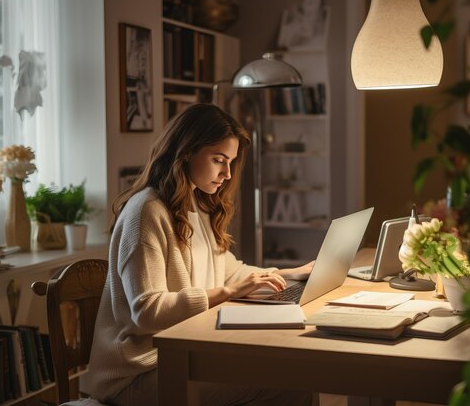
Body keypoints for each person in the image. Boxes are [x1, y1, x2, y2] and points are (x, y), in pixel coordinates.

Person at [84, 103, 315, 406]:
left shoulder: (196, 203)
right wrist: (228, 292)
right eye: (219, 160)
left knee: (292, 373)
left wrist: (289, 273)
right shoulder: (146, 212)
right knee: (288, 380)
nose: (228, 173)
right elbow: (146, 312)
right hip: (135, 376)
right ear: (187, 151)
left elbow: (228, 270)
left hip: (180, 354)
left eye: (231, 162)